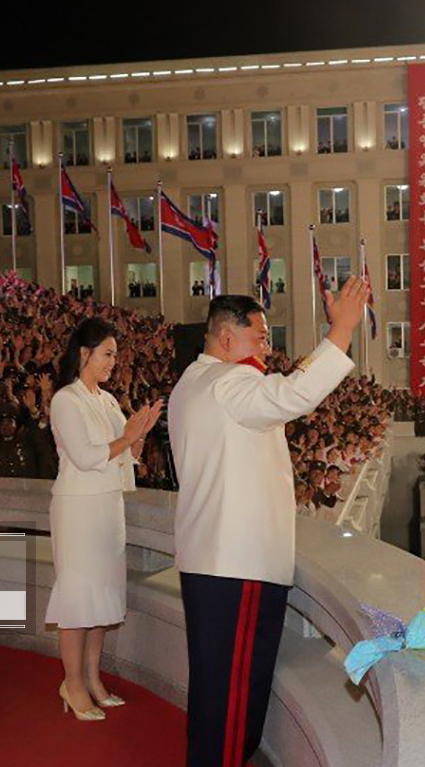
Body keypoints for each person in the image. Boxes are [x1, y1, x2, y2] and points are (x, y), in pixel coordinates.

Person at [168, 280, 367, 767]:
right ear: (226, 338)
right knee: (236, 695)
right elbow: (292, 395)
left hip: (212, 560)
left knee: (215, 691)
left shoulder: (194, 384)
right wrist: (339, 332)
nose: (266, 347)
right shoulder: (229, 384)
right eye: (259, 337)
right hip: (239, 565)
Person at [45, 317, 162, 722]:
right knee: (79, 598)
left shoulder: (107, 399)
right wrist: (128, 436)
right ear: (84, 353)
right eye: (108, 354)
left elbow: (126, 455)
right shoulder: (66, 399)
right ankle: (71, 683)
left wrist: (142, 431)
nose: (114, 361)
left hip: (108, 507)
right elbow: (86, 455)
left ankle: (93, 679)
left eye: (115, 355)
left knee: (101, 599)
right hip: (78, 508)